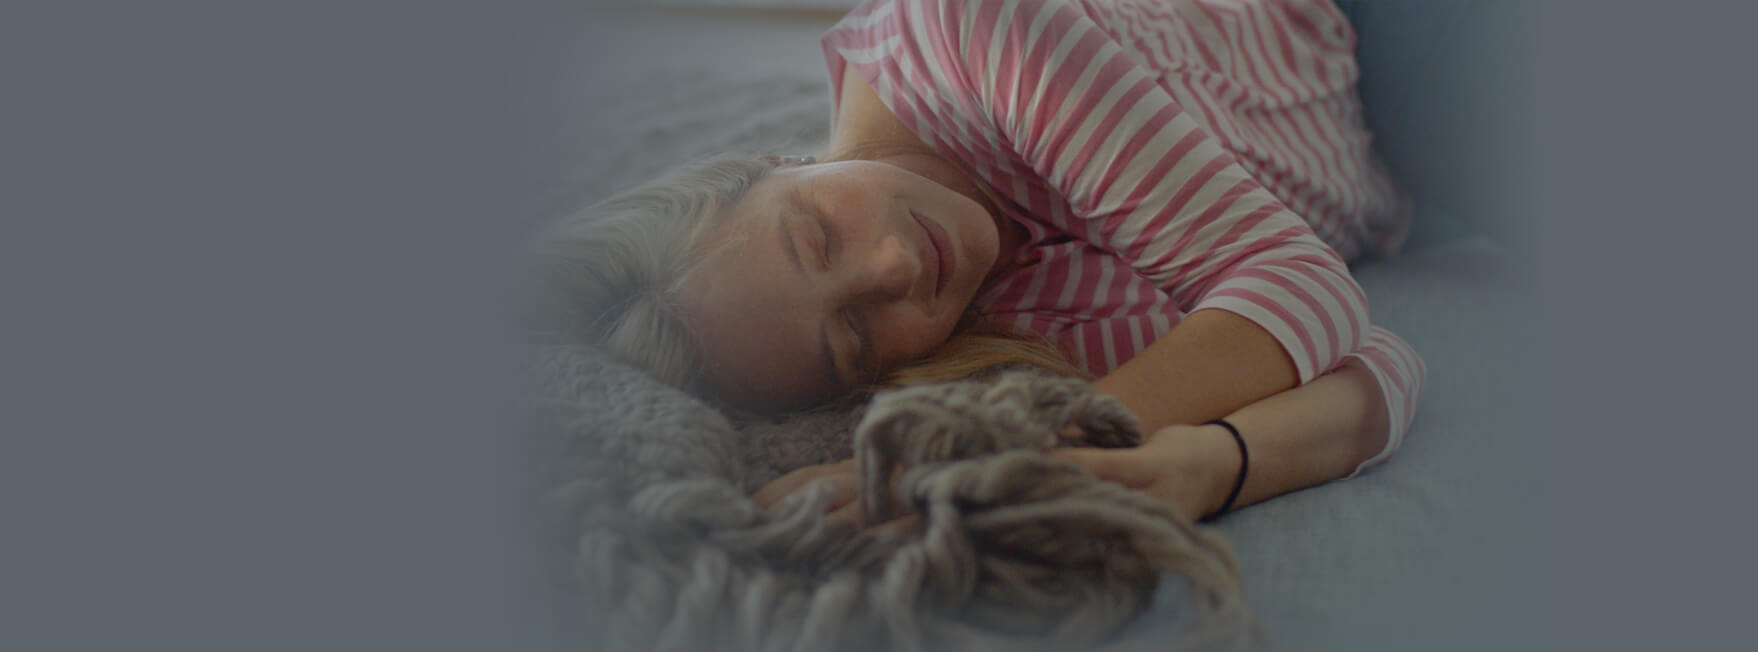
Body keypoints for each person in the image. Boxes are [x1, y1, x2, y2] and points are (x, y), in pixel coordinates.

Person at [533, 0, 1426, 526]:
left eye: (819, 235)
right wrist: (1210, 464)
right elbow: (1365, 356)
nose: (893, 269)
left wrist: (1019, 453)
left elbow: (1301, 285)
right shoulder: (1005, 333)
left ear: (776, 161)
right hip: (1403, 182)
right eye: (853, 337)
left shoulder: (970, 29)